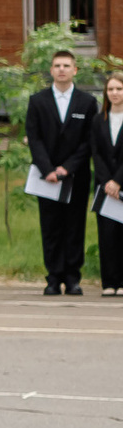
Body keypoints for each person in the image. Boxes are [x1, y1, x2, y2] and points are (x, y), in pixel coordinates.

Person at [27, 49, 96, 296]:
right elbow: (34, 138)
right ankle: (53, 277)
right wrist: (48, 169)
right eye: (57, 65)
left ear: (75, 70)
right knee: (51, 226)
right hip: (47, 178)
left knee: (75, 226)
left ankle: (72, 277)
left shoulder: (87, 102)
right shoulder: (37, 101)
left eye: (67, 65)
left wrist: (67, 167)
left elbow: (90, 141)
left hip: (75, 176)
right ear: (51, 70)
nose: (62, 69)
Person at [96, 72, 123, 296]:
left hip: (122, 184)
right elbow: (95, 153)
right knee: (107, 234)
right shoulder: (99, 120)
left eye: (119, 89)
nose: (114, 93)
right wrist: (107, 181)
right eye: (111, 89)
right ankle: (109, 282)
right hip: (105, 187)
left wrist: (118, 181)